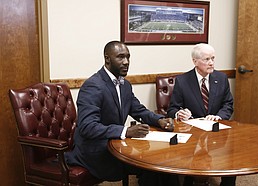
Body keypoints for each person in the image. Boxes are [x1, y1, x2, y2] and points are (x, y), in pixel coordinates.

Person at [65, 41, 179, 186]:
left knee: (163, 162)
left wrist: (159, 120)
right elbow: (87, 127)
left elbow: (139, 110)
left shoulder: (125, 84)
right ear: (107, 59)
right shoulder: (93, 85)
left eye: (128, 57)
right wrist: (126, 131)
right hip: (95, 152)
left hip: (116, 145)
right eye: (120, 57)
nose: (126, 62)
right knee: (151, 165)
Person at [166, 43, 236, 186]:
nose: (211, 63)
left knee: (231, 161)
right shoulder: (183, 81)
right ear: (195, 61)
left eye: (213, 58)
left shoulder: (221, 78)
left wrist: (219, 116)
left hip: (217, 132)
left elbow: (228, 104)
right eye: (206, 59)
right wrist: (180, 113)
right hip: (192, 135)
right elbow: (172, 109)